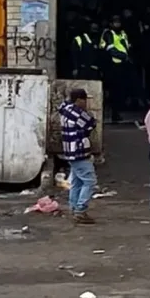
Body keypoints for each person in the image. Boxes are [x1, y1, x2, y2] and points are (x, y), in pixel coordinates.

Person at [59, 89, 98, 224]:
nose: (86, 103)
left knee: (77, 181)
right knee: (89, 181)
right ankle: (81, 210)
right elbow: (91, 123)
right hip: (79, 152)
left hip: (69, 152)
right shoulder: (76, 113)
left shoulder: (65, 109)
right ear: (79, 100)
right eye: (85, 100)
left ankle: (74, 206)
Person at [100, 15, 132, 122]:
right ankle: (113, 114)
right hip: (111, 66)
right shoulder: (108, 34)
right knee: (112, 91)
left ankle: (117, 112)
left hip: (123, 66)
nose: (117, 24)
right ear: (111, 24)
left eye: (119, 22)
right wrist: (123, 56)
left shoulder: (123, 33)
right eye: (115, 22)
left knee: (121, 90)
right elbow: (109, 49)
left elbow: (126, 47)